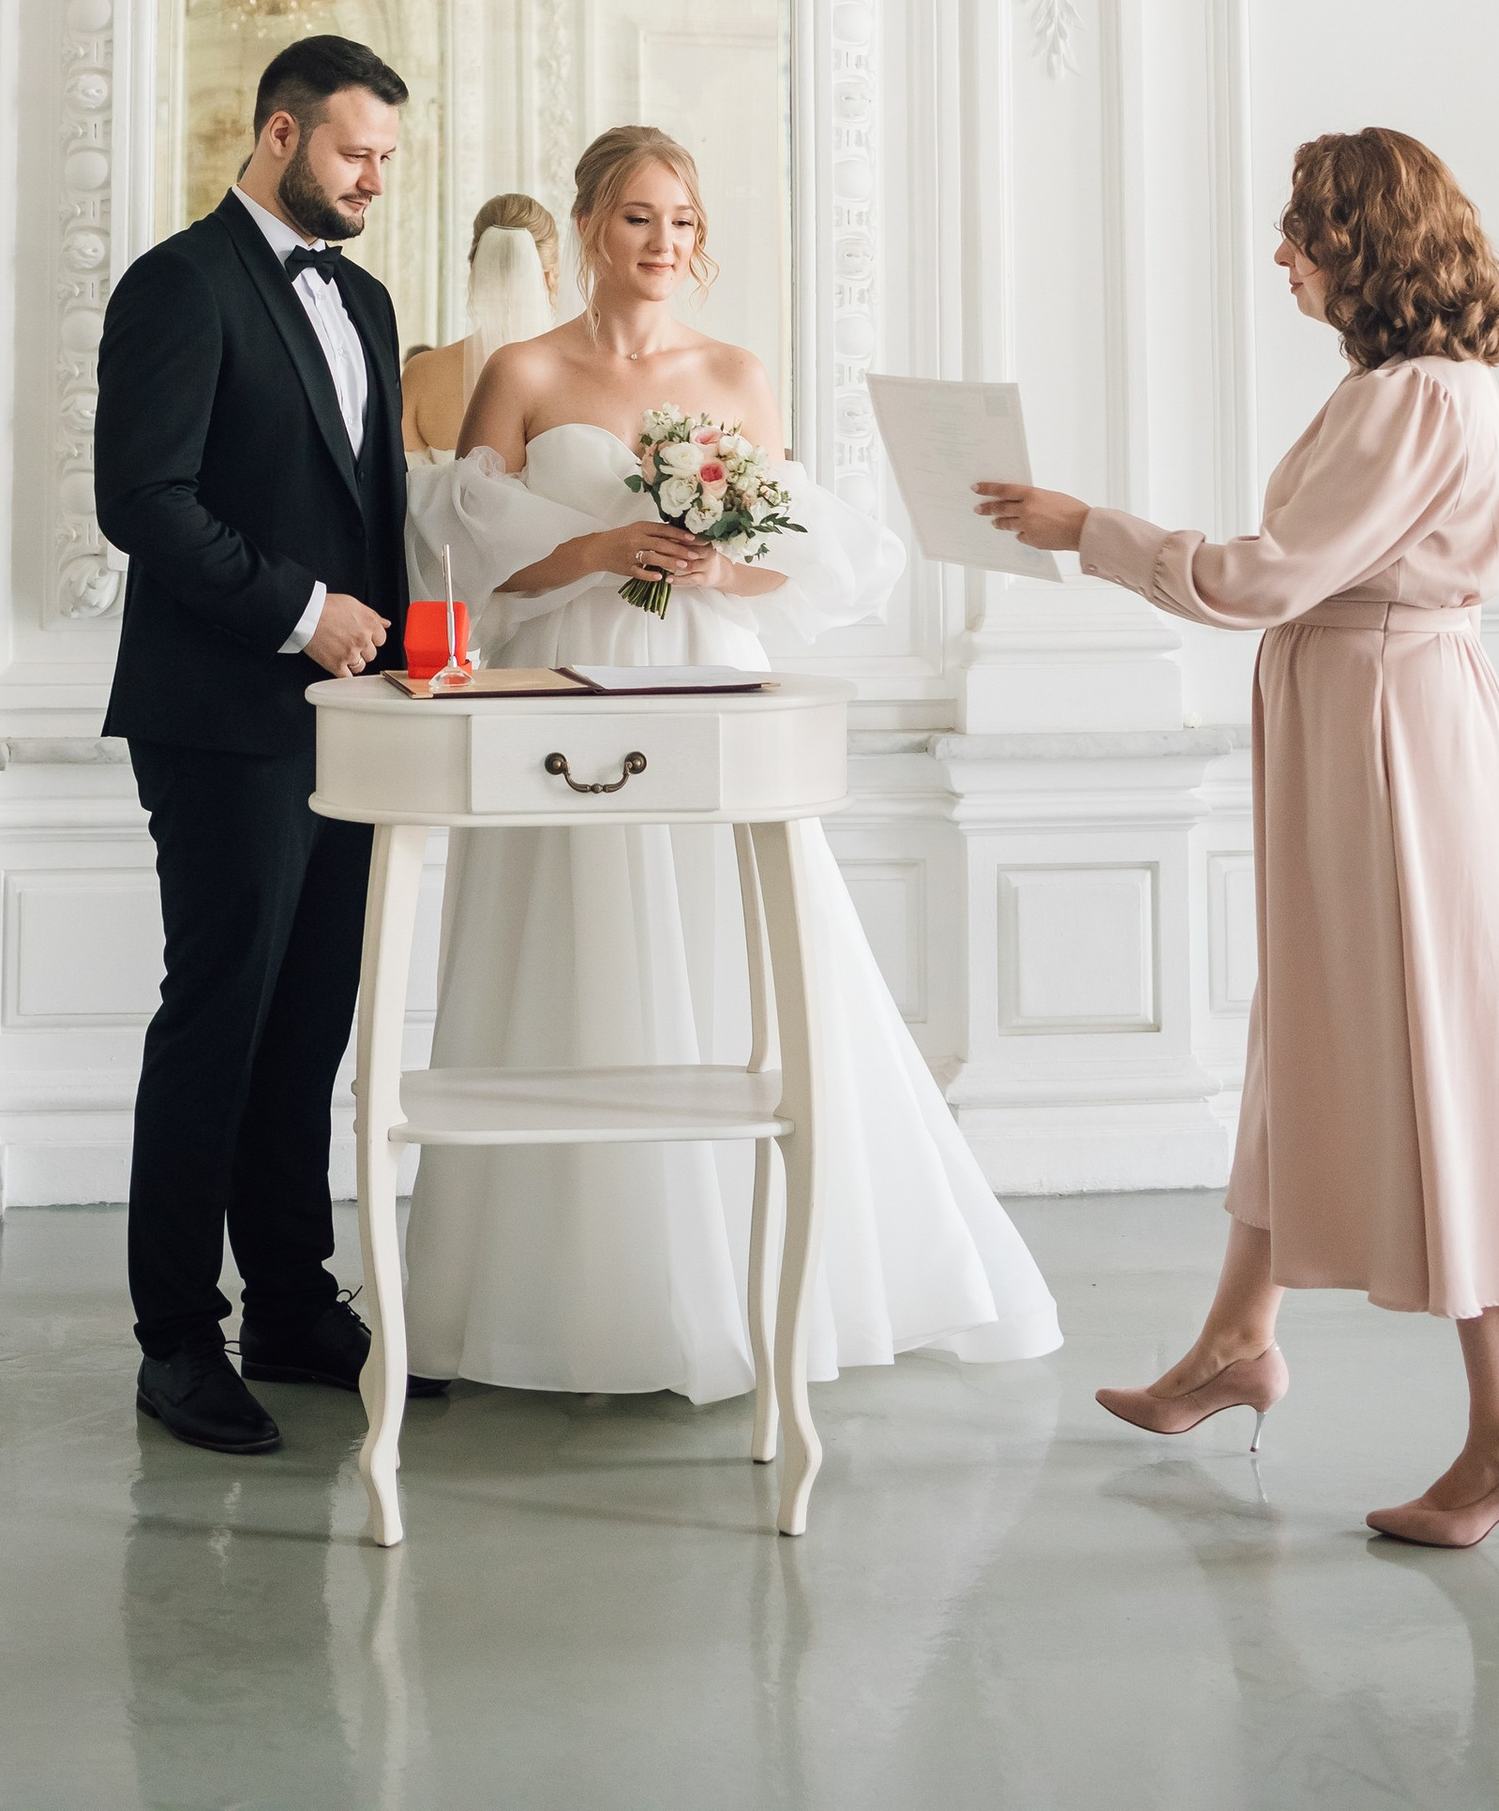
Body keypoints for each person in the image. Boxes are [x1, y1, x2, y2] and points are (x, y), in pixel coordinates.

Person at [975, 127, 1499, 1550]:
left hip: (1392, 736)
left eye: (1301, 236)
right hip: (1366, 723)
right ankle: (1233, 1342)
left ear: (1360, 246)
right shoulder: (1411, 390)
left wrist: (1092, 530)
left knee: (1439, 1052)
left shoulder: (1415, 400)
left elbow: (1269, 578)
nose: (1282, 259)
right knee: (1311, 1031)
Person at [402, 123, 1060, 1401]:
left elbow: (799, 556)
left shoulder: (739, 378)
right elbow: (465, 555)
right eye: (640, 217)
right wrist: (597, 552)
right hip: (564, 693)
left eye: (685, 222)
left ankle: (749, 1283)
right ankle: (557, 1298)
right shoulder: (521, 371)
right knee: (570, 948)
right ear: (590, 226)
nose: (664, 243)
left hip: (708, 679)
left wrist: (716, 563)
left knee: (735, 952)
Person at [94, 32, 442, 1459]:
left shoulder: (362, 297)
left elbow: (371, 515)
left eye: (390, 159)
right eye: (359, 151)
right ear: (282, 135)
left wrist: (418, 656)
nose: (376, 179)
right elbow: (144, 502)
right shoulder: (177, 285)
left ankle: (295, 1303)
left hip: (356, 722)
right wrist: (303, 616)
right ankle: (179, 1338)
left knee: (313, 1023)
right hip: (219, 716)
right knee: (220, 1018)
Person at [400, 194, 561, 456]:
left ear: (475, 268)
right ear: (549, 277)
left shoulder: (421, 374)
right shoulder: (581, 375)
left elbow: (402, 487)